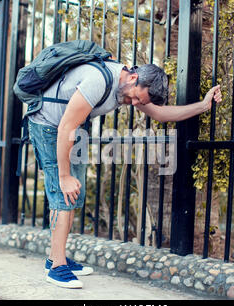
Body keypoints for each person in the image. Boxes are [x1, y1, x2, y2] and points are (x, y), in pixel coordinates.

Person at [27, 61, 222, 289]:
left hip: (72, 128)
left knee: (72, 196)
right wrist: (63, 176)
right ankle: (56, 267)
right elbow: (65, 127)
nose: (136, 104)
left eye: (141, 102)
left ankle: (55, 258)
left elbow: (160, 114)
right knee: (63, 194)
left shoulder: (129, 88)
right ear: (133, 78)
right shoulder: (98, 81)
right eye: (137, 97)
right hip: (50, 125)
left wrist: (204, 105)